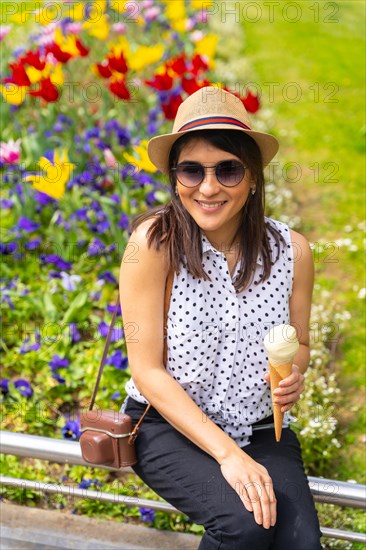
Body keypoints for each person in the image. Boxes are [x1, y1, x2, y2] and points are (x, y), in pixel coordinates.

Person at [119, 86, 322, 549]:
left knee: (301, 545)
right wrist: (229, 456)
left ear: (252, 178)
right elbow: (147, 371)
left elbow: (301, 345)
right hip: (166, 424)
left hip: (259, 426)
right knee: (244, 525)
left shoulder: (292, 251)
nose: (208, 188)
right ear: (174, 178)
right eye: (192, 170)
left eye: (227, 170)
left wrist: (296, 375)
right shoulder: (153, 245)